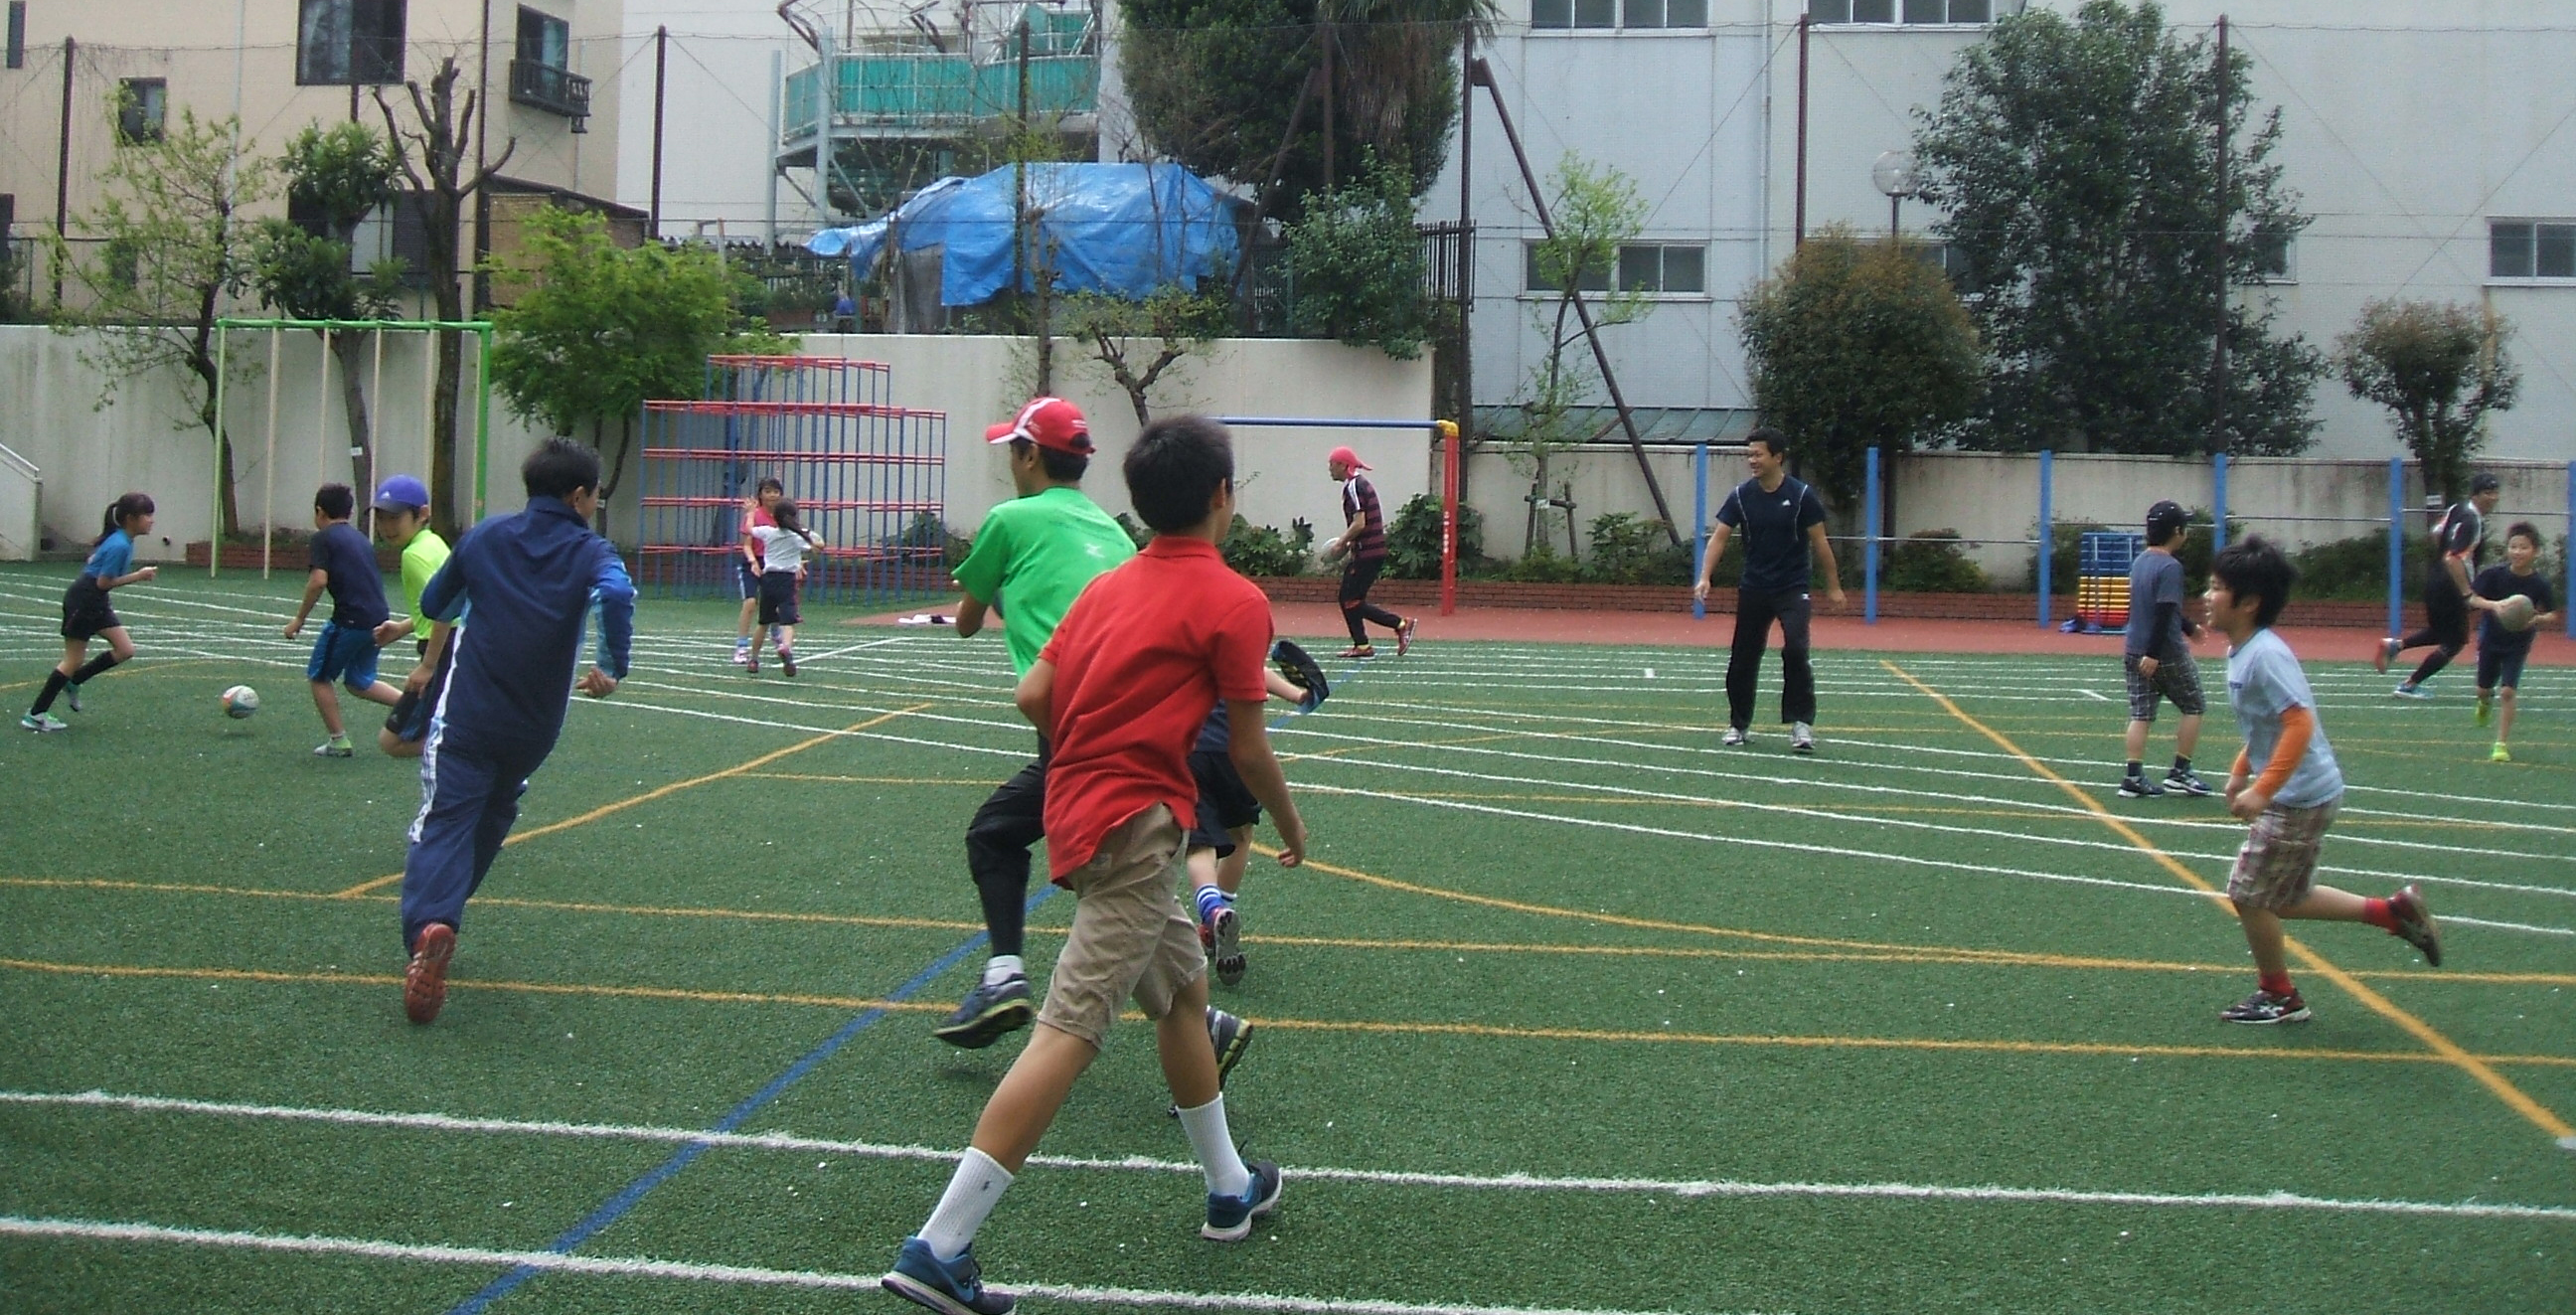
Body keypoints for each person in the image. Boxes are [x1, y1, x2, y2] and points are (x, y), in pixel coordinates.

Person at [881, 414, 1307, 1315]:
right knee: (1070, 1028)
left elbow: (1033, 690)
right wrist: (1289, 823)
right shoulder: (1234, 599)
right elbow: (1249, 749)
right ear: (1222, 496)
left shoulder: (1109, 585)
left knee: (1182, 993)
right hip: (1135, 827)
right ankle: (939, 1247)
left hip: (1081, 811)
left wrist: (1094, 744)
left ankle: (1230, 1186)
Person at [935, 398, 1250, 1080]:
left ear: (1028, 456)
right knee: (1122, 883)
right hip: (1145, 735)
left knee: (1003, 838)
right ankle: (1205, 1024)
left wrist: (1004, 590)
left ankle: (1005, 976)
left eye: (1011, 451)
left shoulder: (1008, 519)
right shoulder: (1114, 533)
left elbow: (966, 621)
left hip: (1075, 733)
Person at [396, 438, 634, 1025]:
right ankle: (443, 917)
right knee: (495, 810)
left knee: (445, 818)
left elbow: (437, 602)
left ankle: (431, 924)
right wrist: (611, 665)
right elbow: (616, 593)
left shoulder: (485, 537)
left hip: (469, 714)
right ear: (578, 497)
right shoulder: (591, 550)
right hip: (533, 727)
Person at [2204, 535, 2442, 1025]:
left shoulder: (2264, 655)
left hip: (2300, 797)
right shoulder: (2244, 651)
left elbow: (2298, 723)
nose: (2207, 596)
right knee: (2284, 897)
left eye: (2217, 588)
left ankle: (2280, 995)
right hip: (2302, 791)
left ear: (2249, 603)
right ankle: (2392, 913)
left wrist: (2262, 790)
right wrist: (2240, 771)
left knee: (2248, 895)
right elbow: (2265, 726)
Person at [1692, 427, 1845, 753]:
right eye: (1749, 454)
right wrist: (1705, 576)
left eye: (1758, 454)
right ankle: (1738, 724)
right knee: (1743, 657)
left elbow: (1820, 542)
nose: (1752, 460)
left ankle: (1801, 723)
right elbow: (1719, 537)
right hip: (1754, 587)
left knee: (1796, 649)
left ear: (1778, 457)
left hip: (1792, 587)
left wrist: (1833, 587)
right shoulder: (1741, 495)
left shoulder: (1801, 496)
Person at [1187, 661, 1322, 988]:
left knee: (1199, 844)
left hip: (1190, 746)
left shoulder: (1181, 634)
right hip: (1235, 746)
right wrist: (1298, 694)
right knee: (1240, 835)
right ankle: (1215, 919)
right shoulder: (1232, 636)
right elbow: (1254, 670)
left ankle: (1212, 910)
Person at [283, 483, 403, 758]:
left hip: (350, 620)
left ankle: (338, 740)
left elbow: (318, 581)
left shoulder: (323, 538)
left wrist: (299, 619)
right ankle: (415, 707)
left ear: (319, 511)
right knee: (359, 681)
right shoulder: (360, 538)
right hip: (378, 618)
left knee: (319, 677)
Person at [22, 493, 157, 734]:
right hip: (84, 601)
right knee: (73, 659)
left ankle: (74, 681)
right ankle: (36, 714)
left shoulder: (122, 539)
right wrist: (139, 576)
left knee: (125, 650)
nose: (151, 520)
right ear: (130, 518)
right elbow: (103, 583)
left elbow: (95, 563)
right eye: (147, 515)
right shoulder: (120, 544)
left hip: (96, 602)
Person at [2117, 500, 2213, 798]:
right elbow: (2164, 611)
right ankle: (2180, 772)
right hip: (2165, 652)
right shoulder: (2171, 567)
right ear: (2177, 531)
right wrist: (2155, 653)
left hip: (2133, 648)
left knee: (2141, 714)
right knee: (2194, 705)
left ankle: (2133, 776)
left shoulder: (2140, 562)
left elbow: (2158, 608)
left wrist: (2189, 627)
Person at [2377, 472, 2501, 698]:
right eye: (2487, 493)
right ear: (2475, 495)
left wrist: (2441, 563)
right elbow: (2453, 558)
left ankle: (2395, 646)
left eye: (2495, 492)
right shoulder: (2472, 521)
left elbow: (2436, 533)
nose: (2493, 497)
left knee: (2440, 632)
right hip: (2450, 586)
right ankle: (2409, 685)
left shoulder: (2457, 509)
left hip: (2435, 578)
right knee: (2455, 642)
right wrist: (2466, 592)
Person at [370, 476, 455, 759]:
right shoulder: (433, 543)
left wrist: (428, 666)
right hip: (455, 645)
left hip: (443, 650)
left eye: (395, 518)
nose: (387, 527)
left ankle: (473, 747)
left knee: (392, 742)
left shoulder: (414, 556)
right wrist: (404, 627)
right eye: (382, 518)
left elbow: (446, 608)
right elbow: (448, 600)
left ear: (423, 514)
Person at [2468, 521, 2561, 763]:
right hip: (2491, 640)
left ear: (2535, 551)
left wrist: (2536, 619)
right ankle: (2483, 702)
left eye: (2524, 547)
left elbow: (2553, 614)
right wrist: (2495, 606)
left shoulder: (2539, 583)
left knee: (2508, 691)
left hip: (2518, 643)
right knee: (2483, 689)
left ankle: (2500, 744)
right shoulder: (2493, 575)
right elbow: (2472, 599)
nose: (2517, 552)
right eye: (2513, 546)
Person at [1317, 444, 1414, 659]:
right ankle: (1362, 645)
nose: (1329, 468)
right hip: (1369, 551)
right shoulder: (1357, 484)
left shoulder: (1353, 486)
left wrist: (1341, 542)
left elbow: (1360, 522)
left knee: (1350, 599)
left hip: (1368, 552)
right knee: (1350, 598)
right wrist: (1350, 543)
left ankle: (1400, 624)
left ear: (1343, 465)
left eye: (1332, 464)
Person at [747, 497, 822, 677]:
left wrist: (750, 513)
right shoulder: (796, 537)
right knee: (788, 621)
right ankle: (785, 647)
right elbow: (819, 545)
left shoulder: (768, 532)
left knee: (763, 623)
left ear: (774, 516)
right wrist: (805, 531)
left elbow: (750, 529)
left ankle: (754, 660)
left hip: (768, 580)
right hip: (787, 581)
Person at [733, 477, 784, 665]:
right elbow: (747, 545)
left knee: (776, 603)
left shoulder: (782, 516)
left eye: (775, 491)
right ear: (760, 494)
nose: (772, 495)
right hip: (752, 562)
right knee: (750, 603)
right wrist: (753, 562)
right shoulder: (753, 515)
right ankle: (741, 647)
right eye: (767, 491)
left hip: (774, 562)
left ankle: (776, 634)